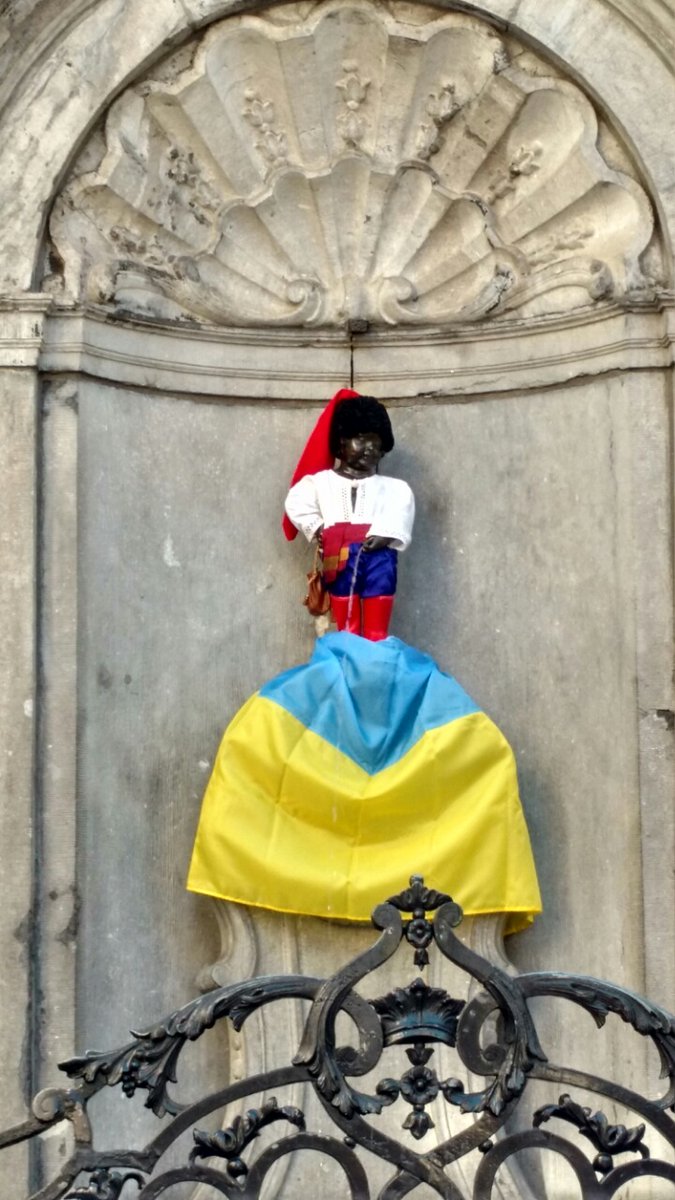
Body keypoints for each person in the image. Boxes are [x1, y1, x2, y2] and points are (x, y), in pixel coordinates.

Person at [284, 391, 414, 640]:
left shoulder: (395, 488)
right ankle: (348, 655)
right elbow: (296, 501)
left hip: (379, 557)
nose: (370, 448)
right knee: (347, 625)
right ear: (341, 443)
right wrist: (318, 528)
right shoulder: (319, 483)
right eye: (361, 439)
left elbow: (401, 510)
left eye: (376, 441)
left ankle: (376, 653)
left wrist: (386, 535)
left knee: (378, 623)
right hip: (339, 553)